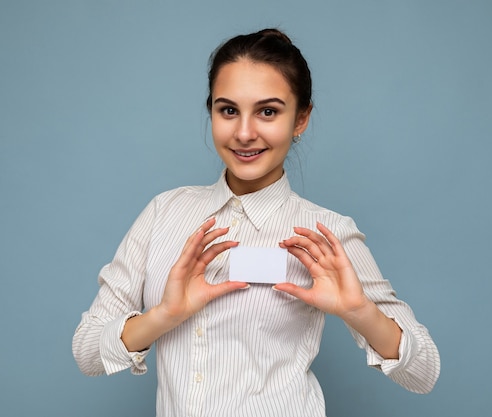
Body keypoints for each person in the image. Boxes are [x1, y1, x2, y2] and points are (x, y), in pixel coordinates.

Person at [73, 28, 440, 417]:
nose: (244, 133)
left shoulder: (326, 234)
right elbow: (87, 352)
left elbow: (424, 373)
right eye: (228, 110)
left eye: (268, 111)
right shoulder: (164, 212)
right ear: (211, 110)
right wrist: (164, 315)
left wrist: (359, 312)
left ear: (301, 119)